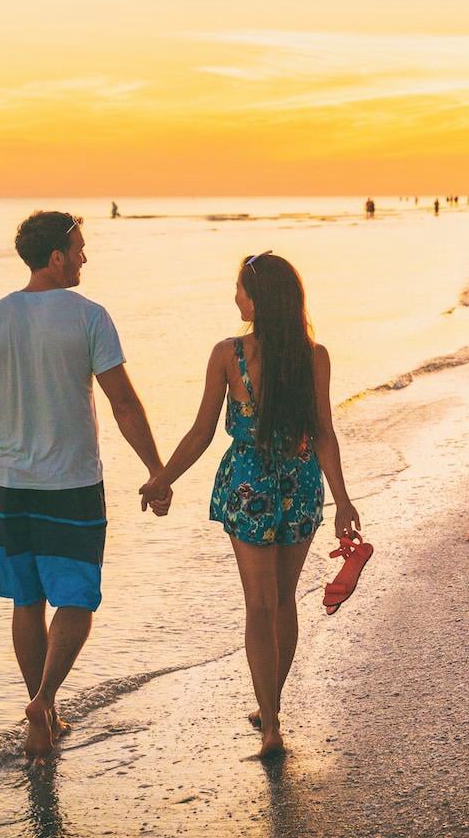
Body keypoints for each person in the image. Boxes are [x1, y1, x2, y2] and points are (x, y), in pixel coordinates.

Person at [0, 210, 166, 760]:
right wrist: (155, 469)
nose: (84, 257)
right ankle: (45, 699)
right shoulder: (89, 317)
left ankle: (39, 714)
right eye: (79, 248)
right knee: (76, 600)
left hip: (10, 484)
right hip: (72, 481)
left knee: (27, 599)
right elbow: (122, 401)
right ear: (56, 257)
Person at [140, 251, 360, 758]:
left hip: (249, 486)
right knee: (283, 602)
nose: (234, 296)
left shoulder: (228, 353)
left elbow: (201, 432)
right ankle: (271, 709)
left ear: (258, 299)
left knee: (259, 606)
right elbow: (324, 433)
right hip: (301, 482)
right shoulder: (314, 355)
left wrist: (162, 478)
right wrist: (343, 499)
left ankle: (271, 727)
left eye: (240, 288)